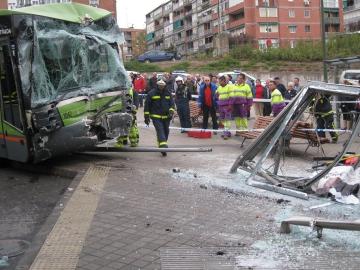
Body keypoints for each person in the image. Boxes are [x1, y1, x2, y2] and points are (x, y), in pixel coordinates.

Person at [144, 79, 175, 156]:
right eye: (160, 86)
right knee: (160, 130)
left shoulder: (168, 93)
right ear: (157, 85)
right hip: (156, 117)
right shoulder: (151, 93)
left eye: (162, 86)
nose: (161, 87)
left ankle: (162, 143)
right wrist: (146, 117)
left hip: (166, 117)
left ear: (164, 86)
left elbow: (172, 104)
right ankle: (163, 148)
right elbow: (147, 105)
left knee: (166, 131)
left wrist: (171, 111)